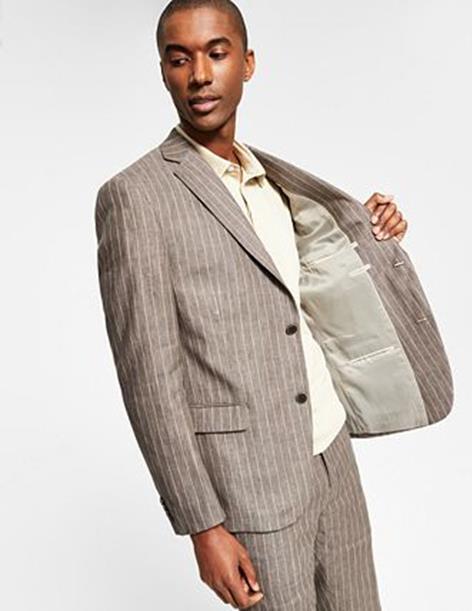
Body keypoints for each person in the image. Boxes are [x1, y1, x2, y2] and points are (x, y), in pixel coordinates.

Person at [94, 1, 453, 609]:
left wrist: (373, 232)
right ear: (163, 72)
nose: (199, 75)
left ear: (248, 63)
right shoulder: (135, 197)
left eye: (216, 53)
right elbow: (150, 380)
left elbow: (306, 291)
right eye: (180, 59)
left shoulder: (270, 180)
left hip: (331, 452)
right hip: (250, 484)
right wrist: (203, 526)